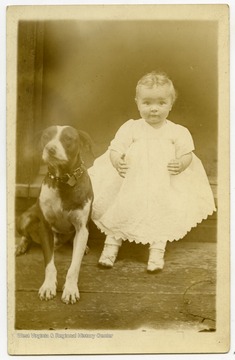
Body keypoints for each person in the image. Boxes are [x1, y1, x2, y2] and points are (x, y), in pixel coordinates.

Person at [88, 71, 216, 272]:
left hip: (161, 184)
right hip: (132, 183)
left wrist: (181, 163)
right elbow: (116, 148)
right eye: (147, 103)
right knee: (121, 209)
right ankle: (110, 248)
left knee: (160, 214)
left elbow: (187, 154)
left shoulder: (177, 131)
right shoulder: (131, 128)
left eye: (161, 103)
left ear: (171, 103)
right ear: (137, 102)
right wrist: (117, 161)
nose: (154, 109)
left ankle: (156, 253)